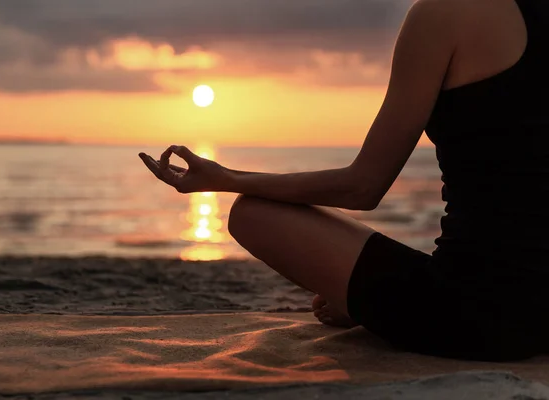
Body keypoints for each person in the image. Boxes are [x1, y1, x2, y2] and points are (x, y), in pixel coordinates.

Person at [139, 0, 549, 362]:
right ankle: (375, 303)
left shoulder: (443, 14)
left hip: (488, 318)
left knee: (253, 213)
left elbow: (363, 187)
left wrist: (227, 178)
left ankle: (374, 309)